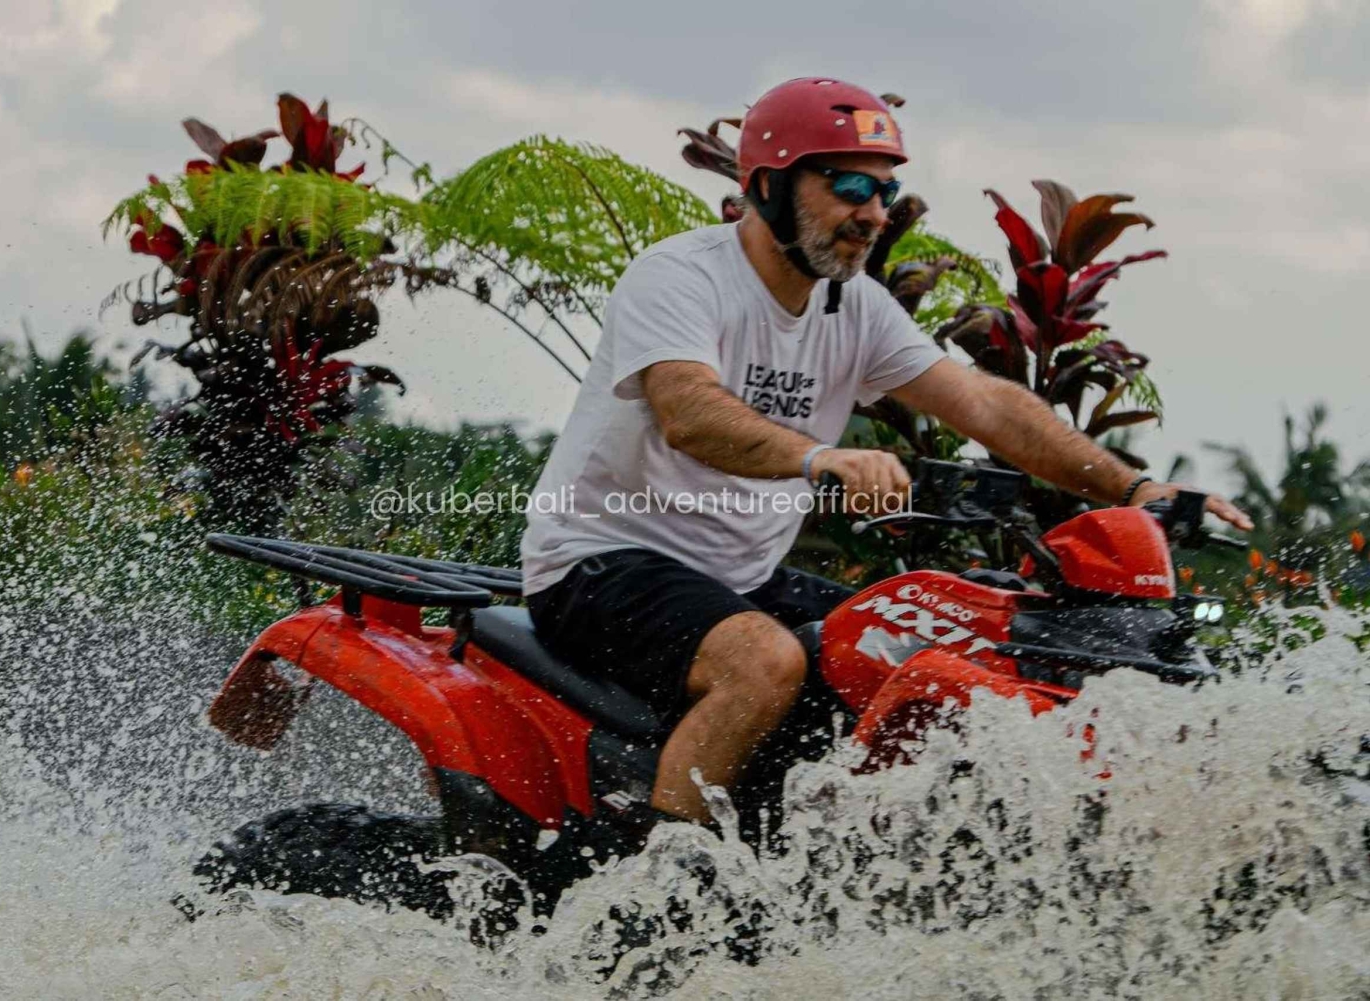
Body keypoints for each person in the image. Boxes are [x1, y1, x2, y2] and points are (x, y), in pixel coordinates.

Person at [520, 77, 1252, 827]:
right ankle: (666, 868)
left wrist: (1133, 490)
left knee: (902, 644)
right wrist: (822, 459)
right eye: (848, 186)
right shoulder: (683, 275)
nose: (873, 212)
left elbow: (985, 404)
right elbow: (688, 413)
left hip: (739, 576)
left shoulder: (856, 305)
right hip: (598, 561)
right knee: (764, 662)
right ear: (768, 186)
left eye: (884, 190)